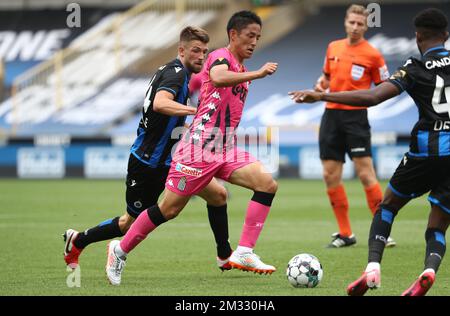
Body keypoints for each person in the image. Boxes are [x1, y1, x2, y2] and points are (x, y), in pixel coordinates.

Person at [105, 10, 279, 286]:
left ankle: (244, 251)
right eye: (250, 35)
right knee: (169, 210)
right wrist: (258, 74)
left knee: (267, 184)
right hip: (199, 150)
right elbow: (219, 77)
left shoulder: (242, 69)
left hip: (224, 147)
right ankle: (119, 249)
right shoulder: (221, 57)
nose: (254, 42)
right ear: (233, 35)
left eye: (258, 37)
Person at [289, 8, 449, 296]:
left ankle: (372, 269)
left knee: (387, 206)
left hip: (426, 151)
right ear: (446, 36)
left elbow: (374, 96)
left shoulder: (415, 66)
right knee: (438, 224)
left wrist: (322, 96)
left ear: (418, 36)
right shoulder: (334, 48)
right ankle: (428, 270)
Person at [63, 26, 234, 272]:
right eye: (196, 50)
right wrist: (195, 111)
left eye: (205, 52)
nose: (201, 56)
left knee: (218, 195)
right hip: (148, 162)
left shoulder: (175, 72)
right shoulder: (175, 74)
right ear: (181, 50)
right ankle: (79, 240)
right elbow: (161, 103)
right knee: (127, 224)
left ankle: (224, 255)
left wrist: (190, 129)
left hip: (171, 160)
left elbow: (167, 115)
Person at [313, 4, 395, 248]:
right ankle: (346, 233)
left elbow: (384, 87)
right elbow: (326, 77)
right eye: (352, 22)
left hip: (356, 118)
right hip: (331, 116)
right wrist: (321, 84)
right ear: (346, 22)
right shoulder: (333, 47)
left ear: (366, 26)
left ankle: (383, 231)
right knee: (330, 175)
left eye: (360, 24)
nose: (356, 27)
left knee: (365, 174)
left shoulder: (373, 54)